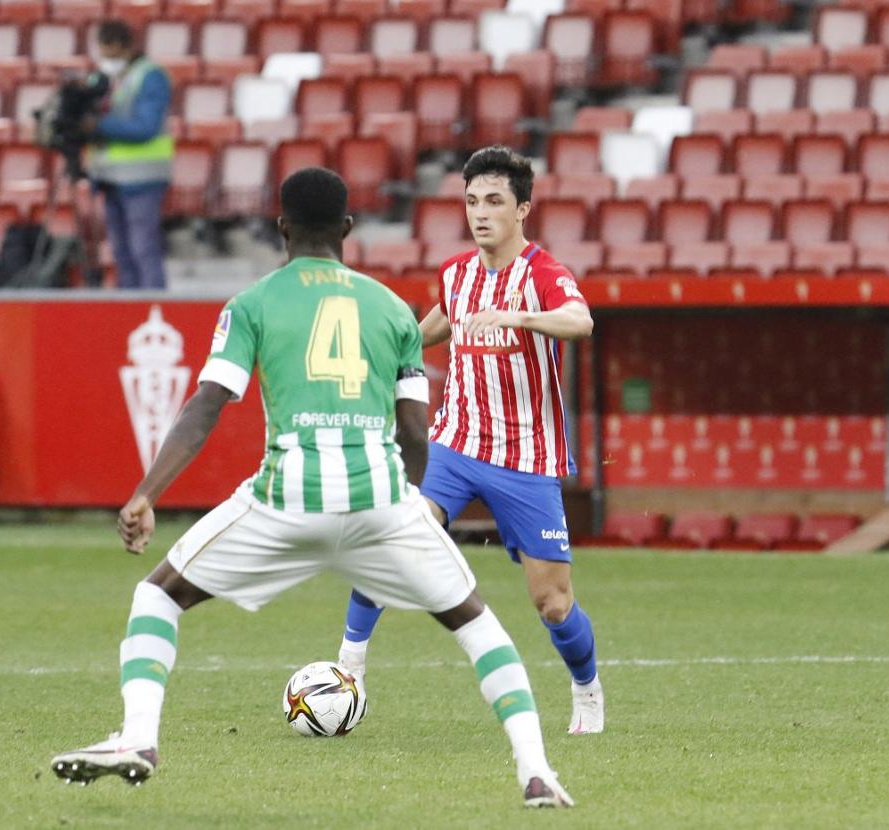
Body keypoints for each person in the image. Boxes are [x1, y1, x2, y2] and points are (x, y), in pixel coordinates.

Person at [49, 168, 574, 808]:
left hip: (286, 499)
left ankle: (138, 736)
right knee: (477, 625)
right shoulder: (391, 309)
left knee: (158, 597)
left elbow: (206, 406)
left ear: (281, 228)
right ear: (348, 230)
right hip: (381, 503)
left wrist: (146, 494)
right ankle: (537, 772)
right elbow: (414, 434)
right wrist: (406, 508)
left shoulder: (253, 304)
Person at [335, 146, 604, 735]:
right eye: (472, 201)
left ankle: (586, 689)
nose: (480, 213)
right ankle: (349, 665)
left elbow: (580, 322)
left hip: (525, 459)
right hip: (452, 446)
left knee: (553, 603)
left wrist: (516, 317)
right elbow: (427, 331)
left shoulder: (542, 275)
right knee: (391, 534)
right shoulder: (457, 275)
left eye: (494, 202)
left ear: (522, 210)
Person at [85, 19, 174, 290]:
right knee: (121, 254)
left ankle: (152, 307)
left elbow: (146, 127)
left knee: (143, 250)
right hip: (110, 179)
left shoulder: (150, 76)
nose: (108, 60)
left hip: (142, 179)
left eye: (113, 54)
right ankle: (127, 313)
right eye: (104, 54)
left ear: (127, 47)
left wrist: (98, 125)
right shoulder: (101, 78)